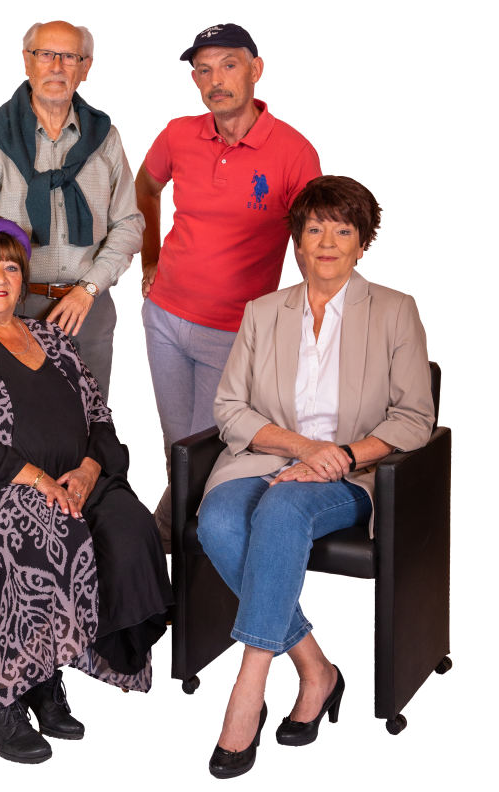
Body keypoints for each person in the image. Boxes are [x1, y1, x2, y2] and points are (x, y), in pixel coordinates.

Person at [0, 217, 173, 765]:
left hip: (72, 480)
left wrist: (89, 469)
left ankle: (46, 669)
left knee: (131, 525)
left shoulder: (52, 339)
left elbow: (99, 418)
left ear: (23, 278)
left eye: (10, 267)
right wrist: (38, 478)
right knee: (46, 525)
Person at [195, 175, 434, 779]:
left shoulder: (396, 309)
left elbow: (415, 417)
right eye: (314, 229)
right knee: (217, 519)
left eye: (343, 230)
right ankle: (315, 667)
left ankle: (249, 683)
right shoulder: (263, 313)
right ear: (296, 243)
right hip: (267, 461)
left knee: (281, 510)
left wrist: (342, 456)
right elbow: (230, 409)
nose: (327, 242)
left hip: (356, 472)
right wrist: (303, 447)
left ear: (363, 243)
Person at [135, 23, 322, 553]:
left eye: (229, 65)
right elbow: (145, 187)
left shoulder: (294, 151)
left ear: (256, 69)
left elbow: (315, 241)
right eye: (204, 69)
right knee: (178, 449)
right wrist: (150, 257)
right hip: (165, 318)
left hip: (233, 332)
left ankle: (156, 549)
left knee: (203, 453)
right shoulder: (178, 134)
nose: (215, 79)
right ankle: (170, 563)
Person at [0, 20, 144, 401]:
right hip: (11, 305)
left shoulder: (105, 137)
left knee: (92, 418)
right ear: (27, 61)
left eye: (69, 57)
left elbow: (129, 224)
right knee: (16, 419)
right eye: (45, 54)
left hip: (88, 309)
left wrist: (88, 289)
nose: (56, 66)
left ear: (85, 67)